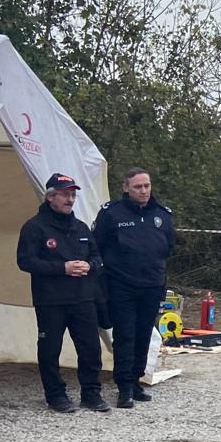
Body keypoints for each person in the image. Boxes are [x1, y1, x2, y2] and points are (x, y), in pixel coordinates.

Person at [17, 173, 108, 413]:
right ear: (51, 197)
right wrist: (62, 268)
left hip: (83, 298)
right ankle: (55, 395)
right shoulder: (34, 227)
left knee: (90, 348)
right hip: (51, 300)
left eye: (73, 194)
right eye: (65, 194)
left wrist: (90, 266)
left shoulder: (81, 227)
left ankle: (91, 393)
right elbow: (25, 262)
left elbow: (97, 257)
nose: (70, 199)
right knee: (50, 350)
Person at [94, 168, 175, 409]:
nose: (143, 191)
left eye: (146, 186)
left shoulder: (162, 215)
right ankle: (124, 386)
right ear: (126, 188)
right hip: (121, 285)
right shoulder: (112, 214)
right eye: (138, 187)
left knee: (143, 335)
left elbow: (168, 247)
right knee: (125, 335)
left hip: (151, 285)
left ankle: (137, 379)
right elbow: (97, 245)